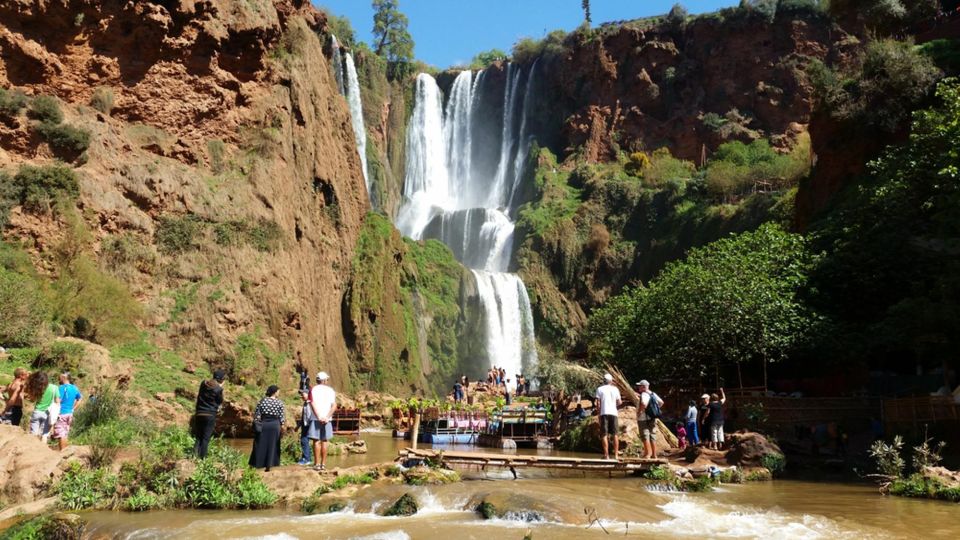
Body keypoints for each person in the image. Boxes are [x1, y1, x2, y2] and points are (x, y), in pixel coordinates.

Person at [249, 385, 285, 472]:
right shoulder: (279, 403)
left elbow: (257, 415)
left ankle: (256, 464)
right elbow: (281, 417)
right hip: (275, 425)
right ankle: (269, 465)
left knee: (259, 444)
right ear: (275, 392)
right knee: (273, 445)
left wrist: (257, 424)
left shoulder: (262, 401)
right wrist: (282, 427)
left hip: (264, 424)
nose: (279, 393)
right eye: (278, 391)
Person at [308, 371, 337, 471]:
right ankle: (323, 465)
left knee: (316, 441)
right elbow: (334, 405)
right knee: (324, 441)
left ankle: (316, 465)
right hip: (327, 420)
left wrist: (319, 416)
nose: (327, 381)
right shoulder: (331, 391)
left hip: (316, 419)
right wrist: (327, 417)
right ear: (324, 380)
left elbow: (312, 404)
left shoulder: (312, 390)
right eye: (327, 380)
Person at [193, 369, 225, 458]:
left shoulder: (203, 383)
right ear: (221, 379)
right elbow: (220, 401)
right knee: (205, 439)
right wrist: (220, 387)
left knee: (198, 437)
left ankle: (193, 457)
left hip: (199, 413)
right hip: (210, 415)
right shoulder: (218, 389)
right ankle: (202, 459)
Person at [595, 373, 622, 460]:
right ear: (611, 381)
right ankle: (616, 455)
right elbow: (619, 402)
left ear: (603, 381)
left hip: (604, 413)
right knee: (615, 434)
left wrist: (598, 414)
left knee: (604, 434)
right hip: (614, 413)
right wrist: (614, 405)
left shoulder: (599, 389)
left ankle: (606, 455)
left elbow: (598, 403)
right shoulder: (616, 389)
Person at [24, 372, 59, 439]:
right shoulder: (54, 388)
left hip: (37, 412)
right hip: (48, 414)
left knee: (33, 435)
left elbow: (32, 400)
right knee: (44, 436)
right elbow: (57, 402)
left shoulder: (39, 388)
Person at [636, 380, 664, 459]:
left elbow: (644, 404)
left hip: (643, 418)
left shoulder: (644, 394)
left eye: (640, 386)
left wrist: (639, 412)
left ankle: (647, 454)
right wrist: (654, 411)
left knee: (645, 435)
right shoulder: (653, 394)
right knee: (653, 435)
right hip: (652, 418)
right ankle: (654, 455)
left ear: (644, 387)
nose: (638, 387)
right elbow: (661, 402)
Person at [54, 372, 82, 451]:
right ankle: (65, 452)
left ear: (63, 378)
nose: (59, 379)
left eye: (60, 378)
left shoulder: (62, 387)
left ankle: (62, 453)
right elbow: (80, 398)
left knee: (61, 434)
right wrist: (73, 408)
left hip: (62, 412)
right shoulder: (74, 388)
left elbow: (58, 400)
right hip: (70, 413)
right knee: (65, 433)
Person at [297, 389, 313, 465]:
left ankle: (306, 459)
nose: (301, 396)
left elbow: (311, 415)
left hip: (309, 425)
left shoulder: (311, 403)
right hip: (305, 425)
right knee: (304, 441)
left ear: (308, 394)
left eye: (303, 394)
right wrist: (298, 425)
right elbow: (304, 416)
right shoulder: (305, 403)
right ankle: (306, 458)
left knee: (304, 441)